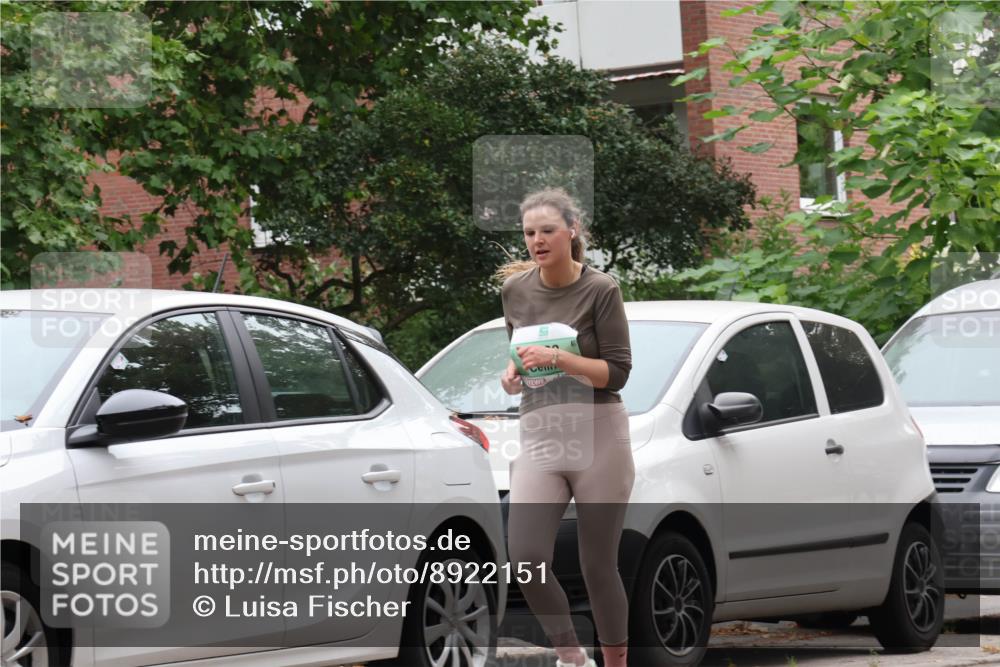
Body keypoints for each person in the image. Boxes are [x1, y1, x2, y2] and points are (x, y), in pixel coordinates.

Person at [496, 187, 634, 667]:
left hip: (598, 430)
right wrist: (511, 377)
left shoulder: (601, 288)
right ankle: (572, 657)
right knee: (528, 562)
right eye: (530, 232)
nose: (537, 240)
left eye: (547, 230)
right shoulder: (515, 291)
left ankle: (615, 662)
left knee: (598, 566)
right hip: (539, 431)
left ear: (572, 231)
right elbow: (518, 366)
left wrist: (561, 358)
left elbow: (616, 373)